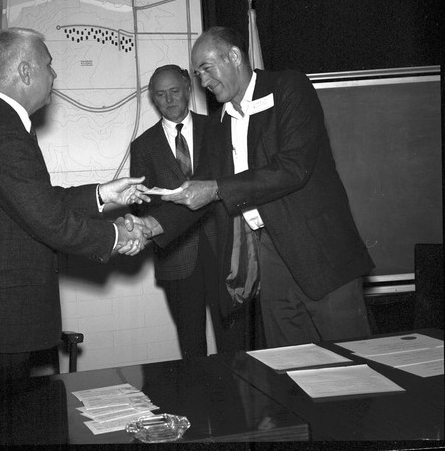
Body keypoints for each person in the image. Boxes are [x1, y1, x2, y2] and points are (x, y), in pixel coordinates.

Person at [0, 27, 150, 443]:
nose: (54, 75)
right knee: (10, 435)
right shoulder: (1, 132)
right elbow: (49, 221)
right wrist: (116, 236)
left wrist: (102, 195)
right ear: (24, 70)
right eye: (48, 64)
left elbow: (37, 201)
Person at [128, 26, 374, 349]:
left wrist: (216, 189)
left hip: (321, 254)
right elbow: (196, 190)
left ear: (234, 56)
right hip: (269, 257)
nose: (202, 81)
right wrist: (150, 225)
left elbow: (292, 169)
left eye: (206, 68)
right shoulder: (219, 123)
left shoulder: (289, 88)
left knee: (355, 367)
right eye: (197, 73)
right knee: (292, 369)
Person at [130, 64, 257, 358]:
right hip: (176, 256)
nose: (169, 100)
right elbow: (140, 206)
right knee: (191, 345)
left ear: (188, 88)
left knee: (234, 343)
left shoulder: (218, 127)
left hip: (224, 251)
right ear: (152, 98)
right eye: (160, 95)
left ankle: (237, 399)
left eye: (175, 91)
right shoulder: (142, 146)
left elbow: (234, 183)